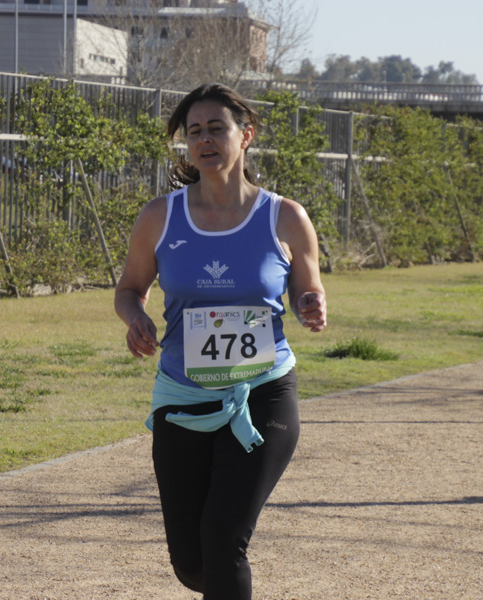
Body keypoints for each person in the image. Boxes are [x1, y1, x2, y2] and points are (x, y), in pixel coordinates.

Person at [113, 83, 327, 600]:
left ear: (245, 136)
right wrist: (135, 317)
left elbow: (308, 285)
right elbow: (129, 290)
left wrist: (310, 303)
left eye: (217, 128)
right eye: (194, 132)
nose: (205, 140)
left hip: (262, 393)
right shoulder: (160, 218)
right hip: (183, 396)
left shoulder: (285, 216)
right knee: (192, 562)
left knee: (223, 538)